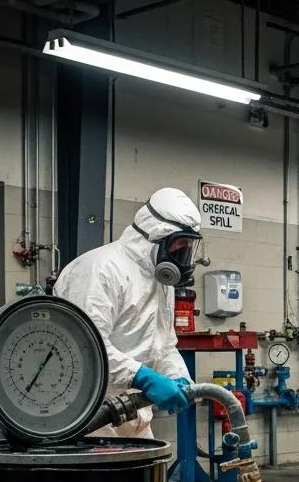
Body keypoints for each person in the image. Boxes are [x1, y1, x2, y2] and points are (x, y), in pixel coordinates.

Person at [54, 187, 201, 438]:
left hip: (132, 408)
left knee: (146, 475)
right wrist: (143, 376)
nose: (183, 256)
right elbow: (86, 349)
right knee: (100, 477)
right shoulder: (100, 269)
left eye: (188, 247)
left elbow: (164, 345)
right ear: (156, 237)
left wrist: (179, 378)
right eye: (179, 246)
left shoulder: (161, 281)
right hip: (88, 410)